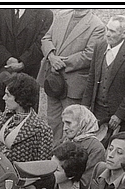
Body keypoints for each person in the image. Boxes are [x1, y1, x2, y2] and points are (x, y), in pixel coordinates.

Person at [38, 10, 105, 144]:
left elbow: (89, 55)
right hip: (53, 81)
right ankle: (52, 154)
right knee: (53, 121)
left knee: (71, 125)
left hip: (73, 85)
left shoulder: (97, 25)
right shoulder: (62, 16)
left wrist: (60, 63)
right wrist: (51, 57)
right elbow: (46, 39)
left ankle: (67, 158)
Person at [81, 15, 125, 136]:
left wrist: (119, 115)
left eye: (112, 31)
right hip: (97, 110)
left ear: (124, 34)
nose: (107, 34)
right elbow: (92, 79)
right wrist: (85, 106)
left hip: (118, 116)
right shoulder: (100, 47)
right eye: (107, 29)